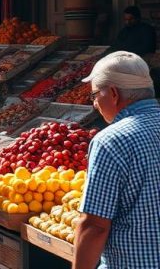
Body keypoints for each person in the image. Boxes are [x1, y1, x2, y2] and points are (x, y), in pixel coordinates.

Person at [73, 51, 160, 269]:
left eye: (94, 95)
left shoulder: (111, 140)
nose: (94, 104)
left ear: (113, 93)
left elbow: (95, 226)